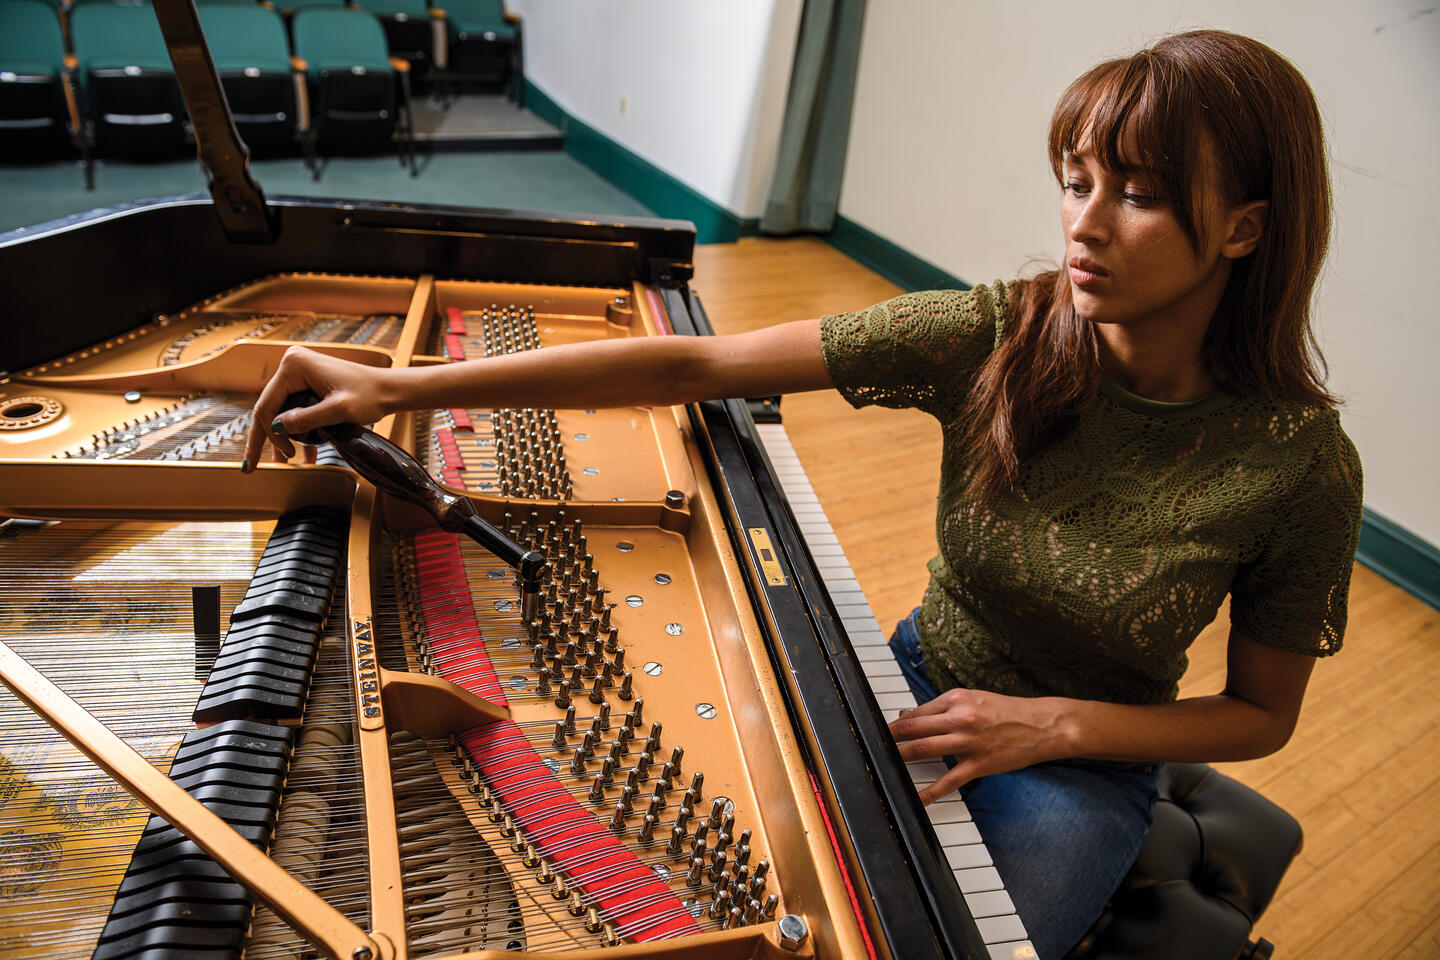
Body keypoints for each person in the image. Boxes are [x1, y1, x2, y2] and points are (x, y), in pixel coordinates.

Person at [243, 29, 1362, 959]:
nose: (1086, 221)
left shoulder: (1298, 464)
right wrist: (400, 383)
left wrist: (1055, 725)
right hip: (913, 677)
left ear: (1244, 228)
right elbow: (697, 366)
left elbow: (1260, 717)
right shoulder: (999, 331)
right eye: (1077, 182)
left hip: (1085, 769)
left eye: (1142, 196)